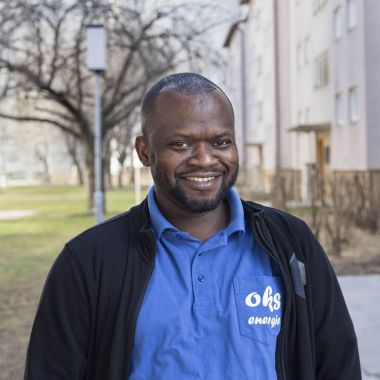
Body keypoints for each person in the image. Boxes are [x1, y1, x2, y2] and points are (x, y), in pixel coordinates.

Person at [24, 73, 361, 380]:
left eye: (221, 142)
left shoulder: (290, 243)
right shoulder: (89, 260)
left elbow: (338, 363)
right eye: (181, 144)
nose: (204, 159)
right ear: (145, 151)